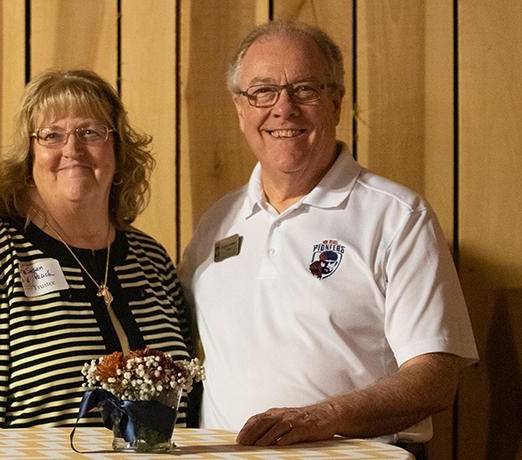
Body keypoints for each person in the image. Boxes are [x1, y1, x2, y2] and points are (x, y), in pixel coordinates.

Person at [179, 20, 478, 447]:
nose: (284, 108)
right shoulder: (216, 222)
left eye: (304, 89)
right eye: (263, 91)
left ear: (336, 103)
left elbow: (435, 378)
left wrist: (323, 417)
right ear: (241, 109)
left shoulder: (397, 217)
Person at [0, 69, 194, 432]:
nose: (73, 150)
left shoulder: (152, 260)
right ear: (28, 156)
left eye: (90, 132)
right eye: (52, 135)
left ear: (117, 149)